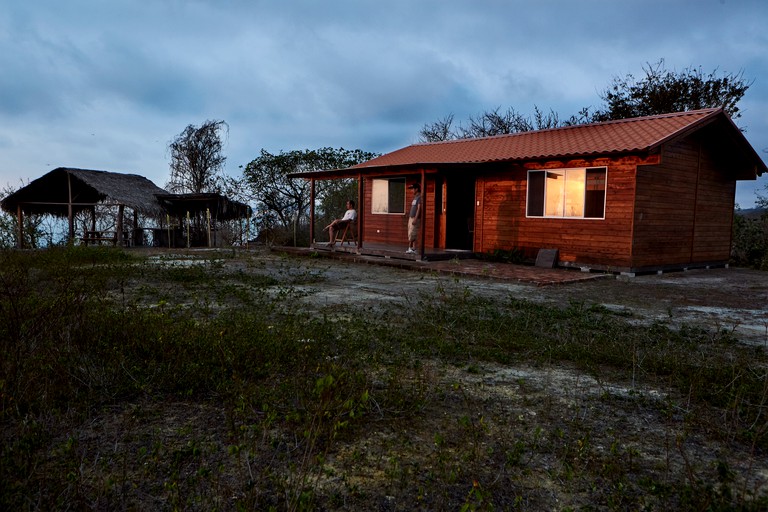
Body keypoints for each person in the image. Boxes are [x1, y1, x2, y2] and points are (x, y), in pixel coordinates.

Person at [406, 183, 421, 254]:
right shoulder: (415, 197)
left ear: (416, 189)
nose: (412, 190)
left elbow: (419, 209)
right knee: (411, 232)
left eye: (413, 189)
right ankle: (414, 248)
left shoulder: (419, 197)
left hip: (415, 218)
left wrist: (415, 218)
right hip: (411, 217)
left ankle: (410, 248)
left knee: (412, 233)